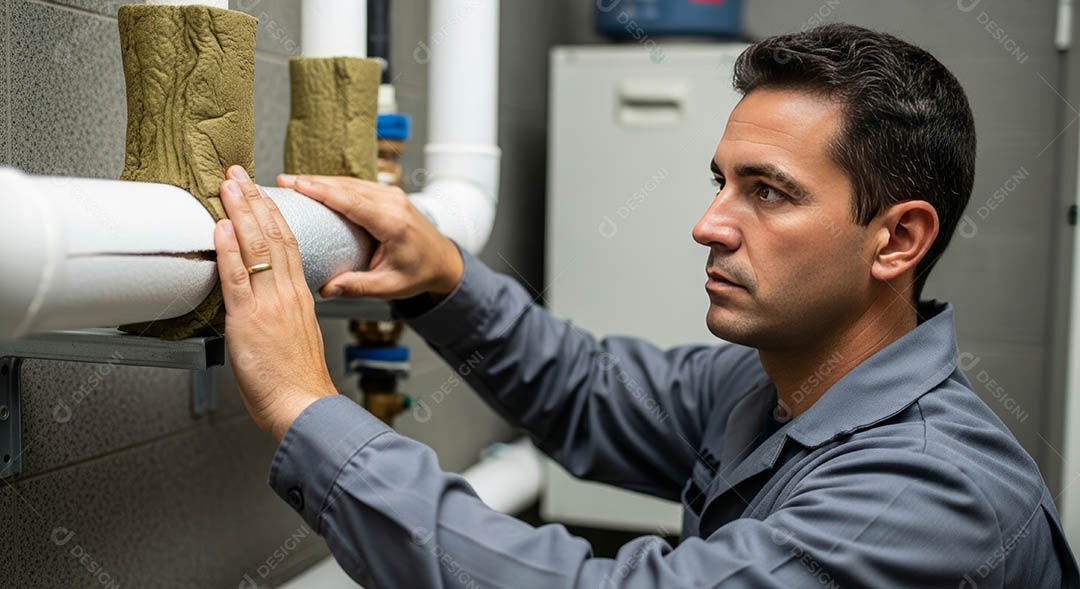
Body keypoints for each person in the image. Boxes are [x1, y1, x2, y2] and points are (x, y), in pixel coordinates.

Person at [212, 24, 1079, 587]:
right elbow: (588, 391)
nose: (709, 224)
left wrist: (304, 408)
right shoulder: (770, 386)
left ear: (897, 240)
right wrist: (441, 275)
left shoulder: (931, 494)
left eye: (768, 192)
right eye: (721, 181)